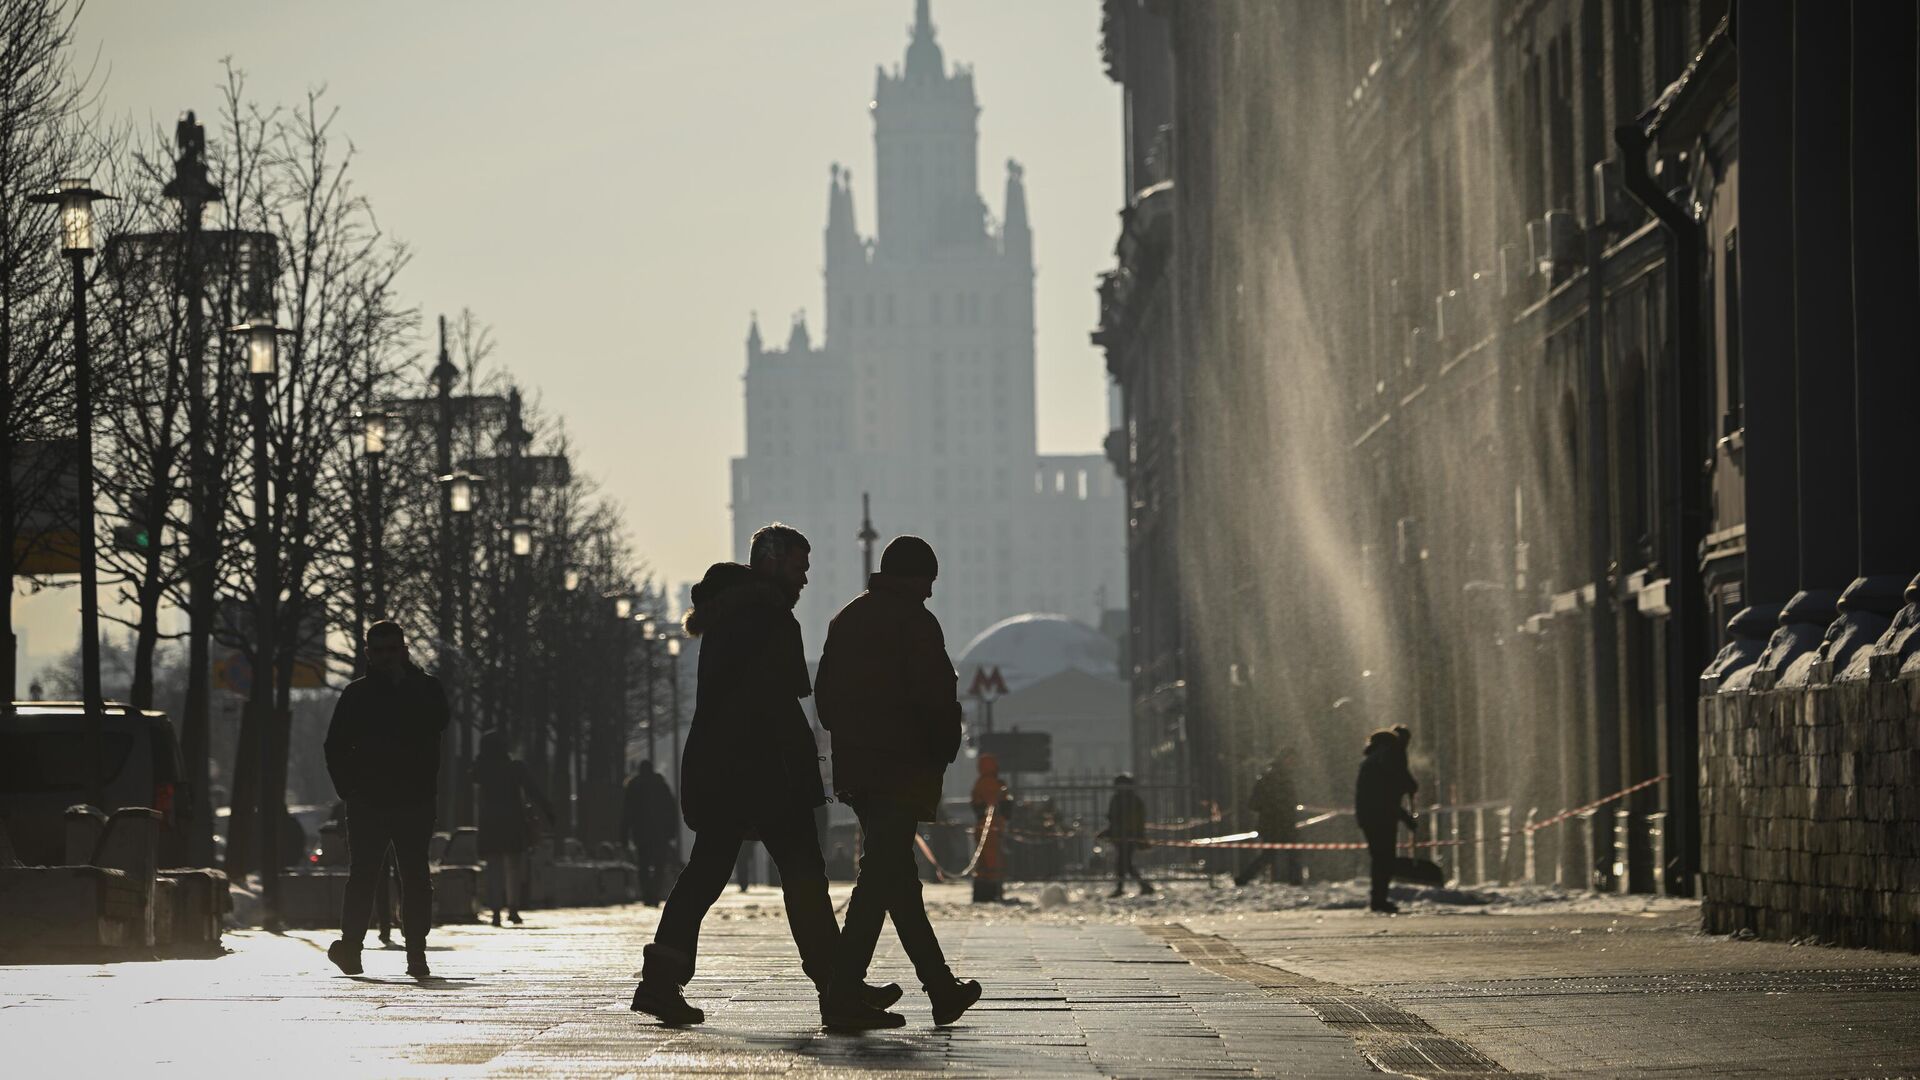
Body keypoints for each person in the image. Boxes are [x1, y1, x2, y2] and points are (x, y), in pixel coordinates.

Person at [629, 525, 899, 1027]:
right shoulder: (768, 617)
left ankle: (661, 982)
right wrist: (794, 770)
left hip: (728, 766)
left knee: (710, 873)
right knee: (801, 877)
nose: (803, 579)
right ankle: (839, 992)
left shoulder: (730, 614)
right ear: (772, 562)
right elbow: (779, 698)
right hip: (763, 771)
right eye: (798, 567)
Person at [814, 535, 982, 1031]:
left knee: (896, 879)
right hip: (902, 769)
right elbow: (936, 698)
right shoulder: (915, 622)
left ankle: (942, 988)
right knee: (880, 877)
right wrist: (942, 749)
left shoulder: (846, 619)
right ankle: (842, 992)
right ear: (913, 577)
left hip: (860, 771)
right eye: (928, 580)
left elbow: (825, 701)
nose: (930, 591)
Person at [323, 620, 450, 979]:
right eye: (378, 651)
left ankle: (415, 953)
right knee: (365, 875)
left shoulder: (425, 689)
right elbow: (334, 746)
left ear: (404, 651)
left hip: (412, 798)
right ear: (368, 654)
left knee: (412, 875)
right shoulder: (357, 694)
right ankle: (352, 948)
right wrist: (349, 789)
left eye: (392, 650)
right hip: (371, 800)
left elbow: (439, 721)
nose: (385, 657)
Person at [474, 729, 553, 927]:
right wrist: (548, 810)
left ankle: (495, 912)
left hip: (490, 823)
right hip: (512, 822)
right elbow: (533, 790)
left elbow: (473, 776)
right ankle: (513, 909)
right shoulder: (515, 767)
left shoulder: (481, 768)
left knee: (494, 867)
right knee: (513, 866)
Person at [1354, 729, 1419, 913]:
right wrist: (1406, 817)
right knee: (1384, 859)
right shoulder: (1382, 761)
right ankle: (1379, 899)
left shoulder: (1371, 761)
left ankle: (1379, 897)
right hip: (1381, 817)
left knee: (1380, 858)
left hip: (1370, 817)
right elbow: (1387, 795)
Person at [1235, 754, 1299, 886]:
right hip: (1279, 824)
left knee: (1270, 855)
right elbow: (1289, 802)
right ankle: (1296, 881)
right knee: (1288, 853)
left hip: (1272, 824)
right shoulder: (1280, 780)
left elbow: (1254, 803)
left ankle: (1244, 878)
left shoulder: (1267, 778)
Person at [623, 760, 679, 906]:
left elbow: (627, 812)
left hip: (641, 833)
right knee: (659, 865)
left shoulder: (634, 786)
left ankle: (647, 893)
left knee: (644, 865)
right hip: (660, 833)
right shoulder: (661, 785)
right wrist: (671, 831)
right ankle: (654, 891)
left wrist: (624, 834)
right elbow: (671, 810)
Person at [1105, 773, 1154, 897]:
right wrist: (1109, 831)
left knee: (1124, 863)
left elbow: (1137, 820)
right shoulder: (1116, 799)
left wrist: (1137, 835)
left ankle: (1130, 887)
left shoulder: (1134, 801)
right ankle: (1141, 886)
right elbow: (1113, 818)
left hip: (1130, 836)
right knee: (1124, 863)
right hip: (1118, 836)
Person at [968, 753, 1009, 903]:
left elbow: (975, 803)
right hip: (994, 828)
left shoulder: (980, 783)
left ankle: (982, 892)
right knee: (994, 861)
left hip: (982, 827)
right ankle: (993, 891)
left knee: (984, 863)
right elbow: (1005, 805)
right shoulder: (996, 784)